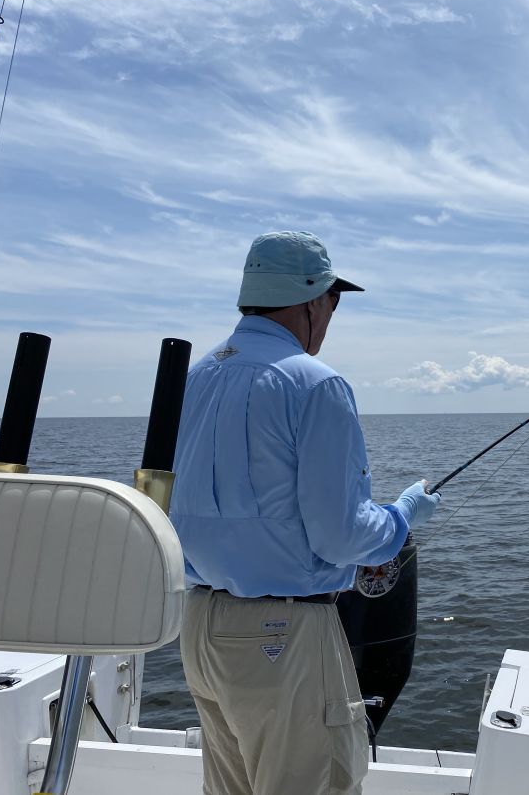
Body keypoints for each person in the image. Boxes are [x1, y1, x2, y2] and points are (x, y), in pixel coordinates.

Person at [171, 231, 441, 795]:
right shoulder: (316, 385)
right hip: (283, 637)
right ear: (314, 300)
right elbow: (341, 537)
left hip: (199, 627)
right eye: (334, 301)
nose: (332, 314)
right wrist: (400, 518)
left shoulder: (193, 378)